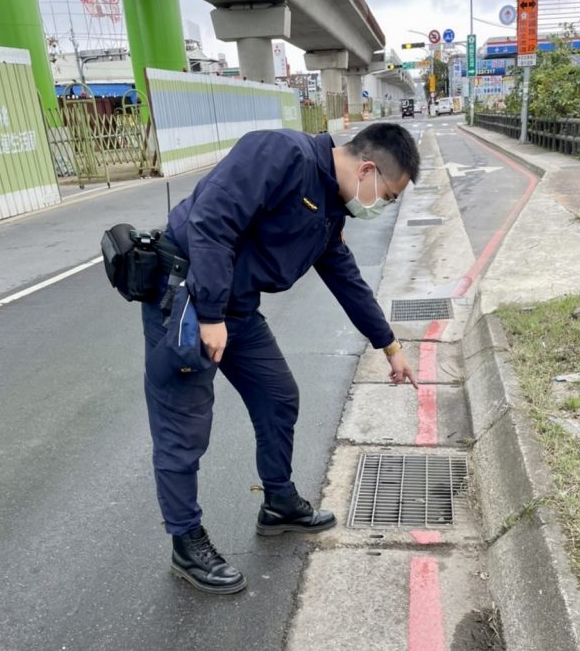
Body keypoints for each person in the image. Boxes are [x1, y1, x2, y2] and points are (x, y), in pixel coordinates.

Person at [141, 122, 421, 595]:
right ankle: (186, 542)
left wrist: (389, 345)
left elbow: (346, 277)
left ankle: (278, 502)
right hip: (188, 300)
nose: (383, 206)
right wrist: (210, 314)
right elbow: (211, 220)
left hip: (235, 308)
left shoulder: (330, 207)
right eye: (388, 196)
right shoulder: (280, 153)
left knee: (278, 396)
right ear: (367, 170)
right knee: (183, 427)